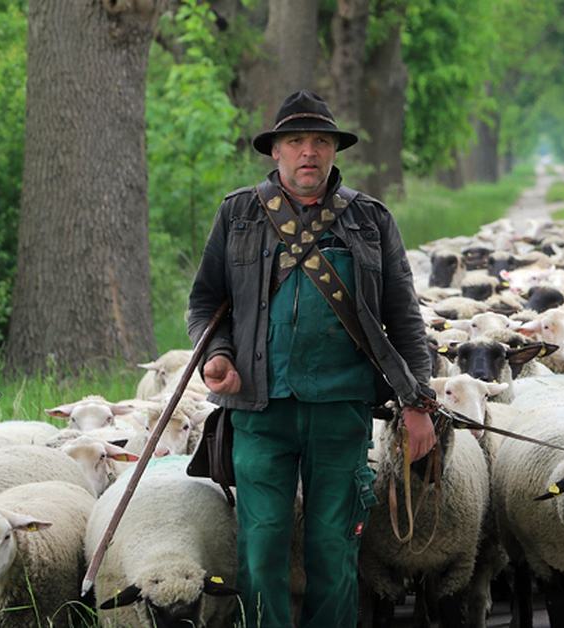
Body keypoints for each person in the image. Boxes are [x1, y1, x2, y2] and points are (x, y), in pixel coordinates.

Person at [187, 90, 437, 627]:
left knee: (334, 549)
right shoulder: (238, 213)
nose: (308, 152)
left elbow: (405, 319)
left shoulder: (371, 219)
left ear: (333, 150)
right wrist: (218, 354)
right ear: (275, 151)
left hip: (341, 408)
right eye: (295, 141)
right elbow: (205, 302)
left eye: (320, 141)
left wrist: (419, 403)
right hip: (258, 408)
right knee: (260, 549)